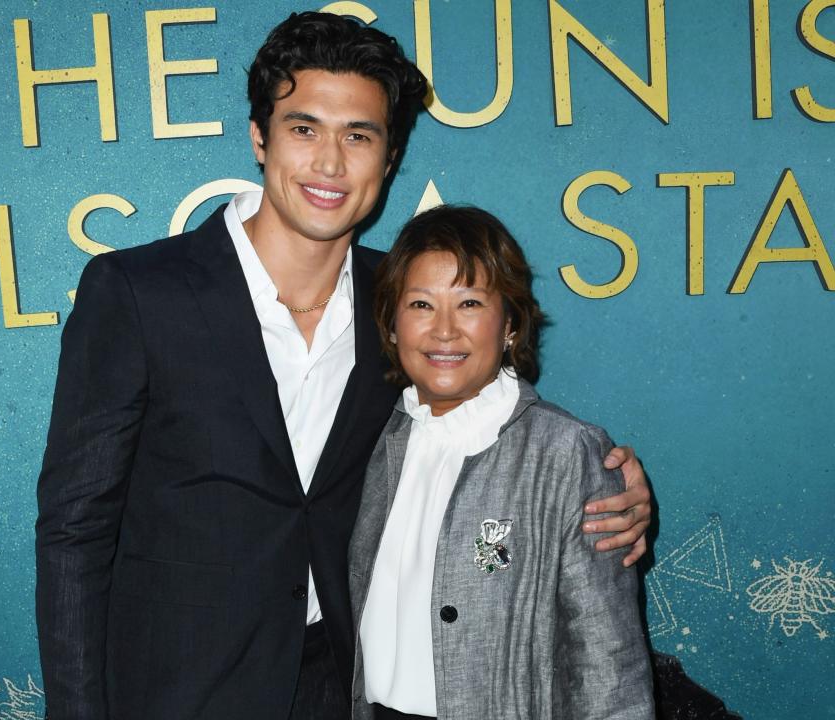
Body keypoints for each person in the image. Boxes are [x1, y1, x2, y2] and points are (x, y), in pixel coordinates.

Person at [35, 12, 652, 720]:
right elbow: (73, 532)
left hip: (341, 687)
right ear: (259, 137)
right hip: (176, 691)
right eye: (304, 129)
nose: (330, 164)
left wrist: (608, 485)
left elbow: (498, 429)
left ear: (388, 160)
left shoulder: (405, 302)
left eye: (358, 136)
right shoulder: (141, 292)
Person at [349, 205, 655, 720]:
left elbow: (608, 663)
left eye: (468, 303)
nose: (444, 331)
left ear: (510, 323)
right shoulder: (375, 436)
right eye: (421, 304)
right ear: (393, 325)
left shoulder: (564, 453)